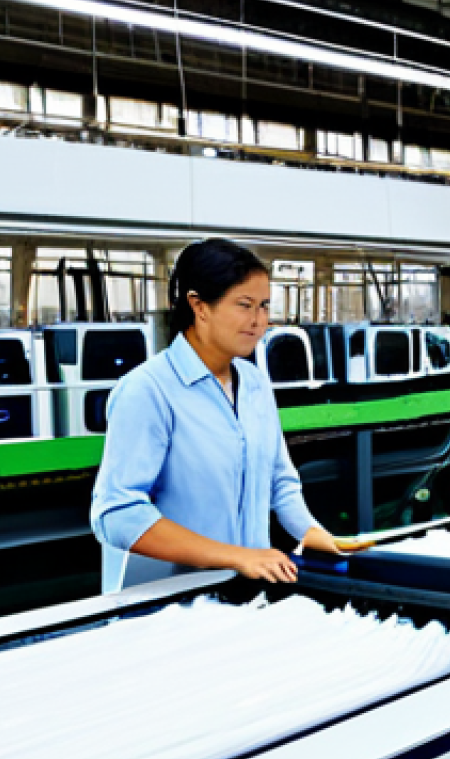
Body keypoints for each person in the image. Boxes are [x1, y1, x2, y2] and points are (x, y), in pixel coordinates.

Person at [91, 238, 342, 591]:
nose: (258, 321)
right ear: (199, 306)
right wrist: (235, 555)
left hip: (244, 594)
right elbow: (117, 515)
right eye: (244, 305)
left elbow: (280, 481)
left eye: (264, 306)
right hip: (167, 610)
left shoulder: (255, 384)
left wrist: (311, 532)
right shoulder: (148, 391)